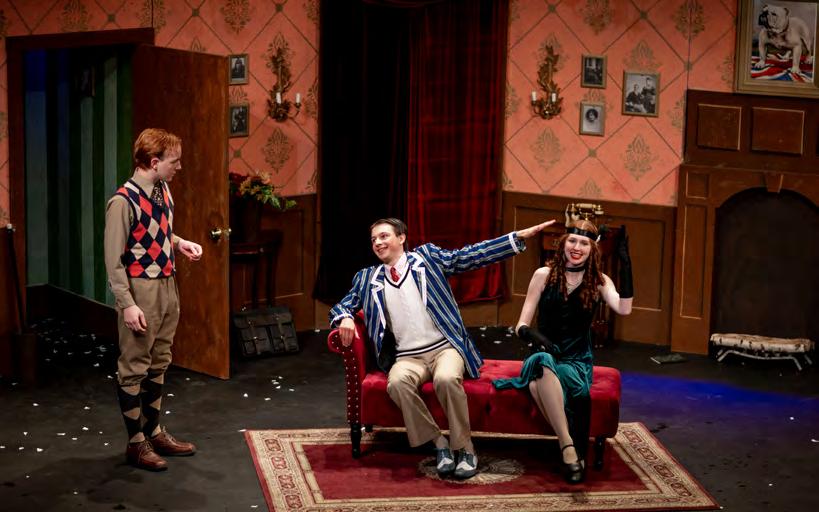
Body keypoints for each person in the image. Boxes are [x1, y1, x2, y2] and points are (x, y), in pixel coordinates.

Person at [330, 217, 554, 479]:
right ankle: (439, 444)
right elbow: (341, 306)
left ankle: (465, 448)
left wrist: (515, 239)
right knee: (397, 383)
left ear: (401, 238)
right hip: (407, 356)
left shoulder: (427, 259)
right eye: (373, 240)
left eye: (384, 236)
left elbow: (470, 256)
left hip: (444, 348)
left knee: (446, 379)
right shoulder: (367, 278)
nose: (378, 243)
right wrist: (345, 317)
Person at [493, 219, 633, 484]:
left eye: (584, 243)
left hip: (576, 360)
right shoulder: (543, 275)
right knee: (543, 360)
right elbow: (521, 324)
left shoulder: (599, 281)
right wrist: (533, 335)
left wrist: (626, 266)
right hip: (543, 355)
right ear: (563, 243)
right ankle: (569, 447)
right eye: (573, 241)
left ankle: (566, 445)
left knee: (537, 386)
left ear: (592, 249)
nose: (577, 247)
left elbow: (624, 309)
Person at [104, 128, 203, 471]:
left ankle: (154, 431)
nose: (179, 167)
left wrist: (179, 242)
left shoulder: (162, 190)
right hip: (140, 289)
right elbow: (114, 260)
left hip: (167, 284)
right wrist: (127, 304)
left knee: (160, 360)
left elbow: (156, 232)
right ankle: (136, 442)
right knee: (134, 366)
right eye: (174, 161)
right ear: (154, 161)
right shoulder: (123, 201)